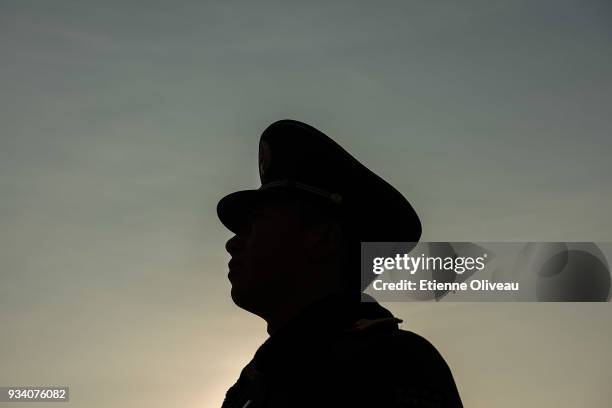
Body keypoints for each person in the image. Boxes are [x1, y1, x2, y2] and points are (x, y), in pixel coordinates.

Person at [217, 119, 463, 408]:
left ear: (320, 238)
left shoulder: (389, 363)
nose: (232, 243)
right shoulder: (252, 383)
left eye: (255, 225)